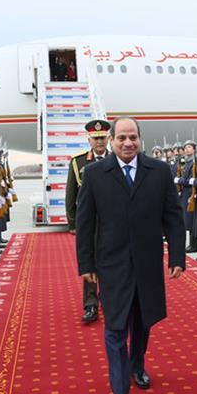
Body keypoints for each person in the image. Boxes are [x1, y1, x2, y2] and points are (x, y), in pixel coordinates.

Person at [75, 116, 185, 394]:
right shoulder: (94, 174)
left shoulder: (159, 171)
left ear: (140, 138)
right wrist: (86, 263)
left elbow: (173, 217)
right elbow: (85, 223)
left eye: (133, 137)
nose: (128, 143)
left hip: (148, 263)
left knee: (143, 321)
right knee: (114, 326)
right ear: (111, 140)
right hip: (111, 264)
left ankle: (137, 365)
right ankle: (120, 392)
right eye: (121, 138)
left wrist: (177, 257)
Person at [65, 118, 111, 323]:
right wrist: (73, 223)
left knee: (112, 261)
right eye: (95, 138)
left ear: (108, 138)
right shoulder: (79, 162)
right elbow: (71, 194)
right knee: (90, 263)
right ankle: (91, 304)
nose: (99, 142)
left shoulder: (117, 159)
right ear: (89, 140)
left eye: (102, 138)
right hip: (90, 222)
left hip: (113, 222)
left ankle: (109, 300)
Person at [177, 139, 197, 252]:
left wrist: (181, 180)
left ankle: (194, 245)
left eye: (189, 147)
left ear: (194, 149)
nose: (186, 149)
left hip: (191, 193)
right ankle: (191, 244)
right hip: (186, 193)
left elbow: (190, 179)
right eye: (185, 147)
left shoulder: (194, 163)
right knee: (188, 220)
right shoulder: (187, 163)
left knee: (192, 220)